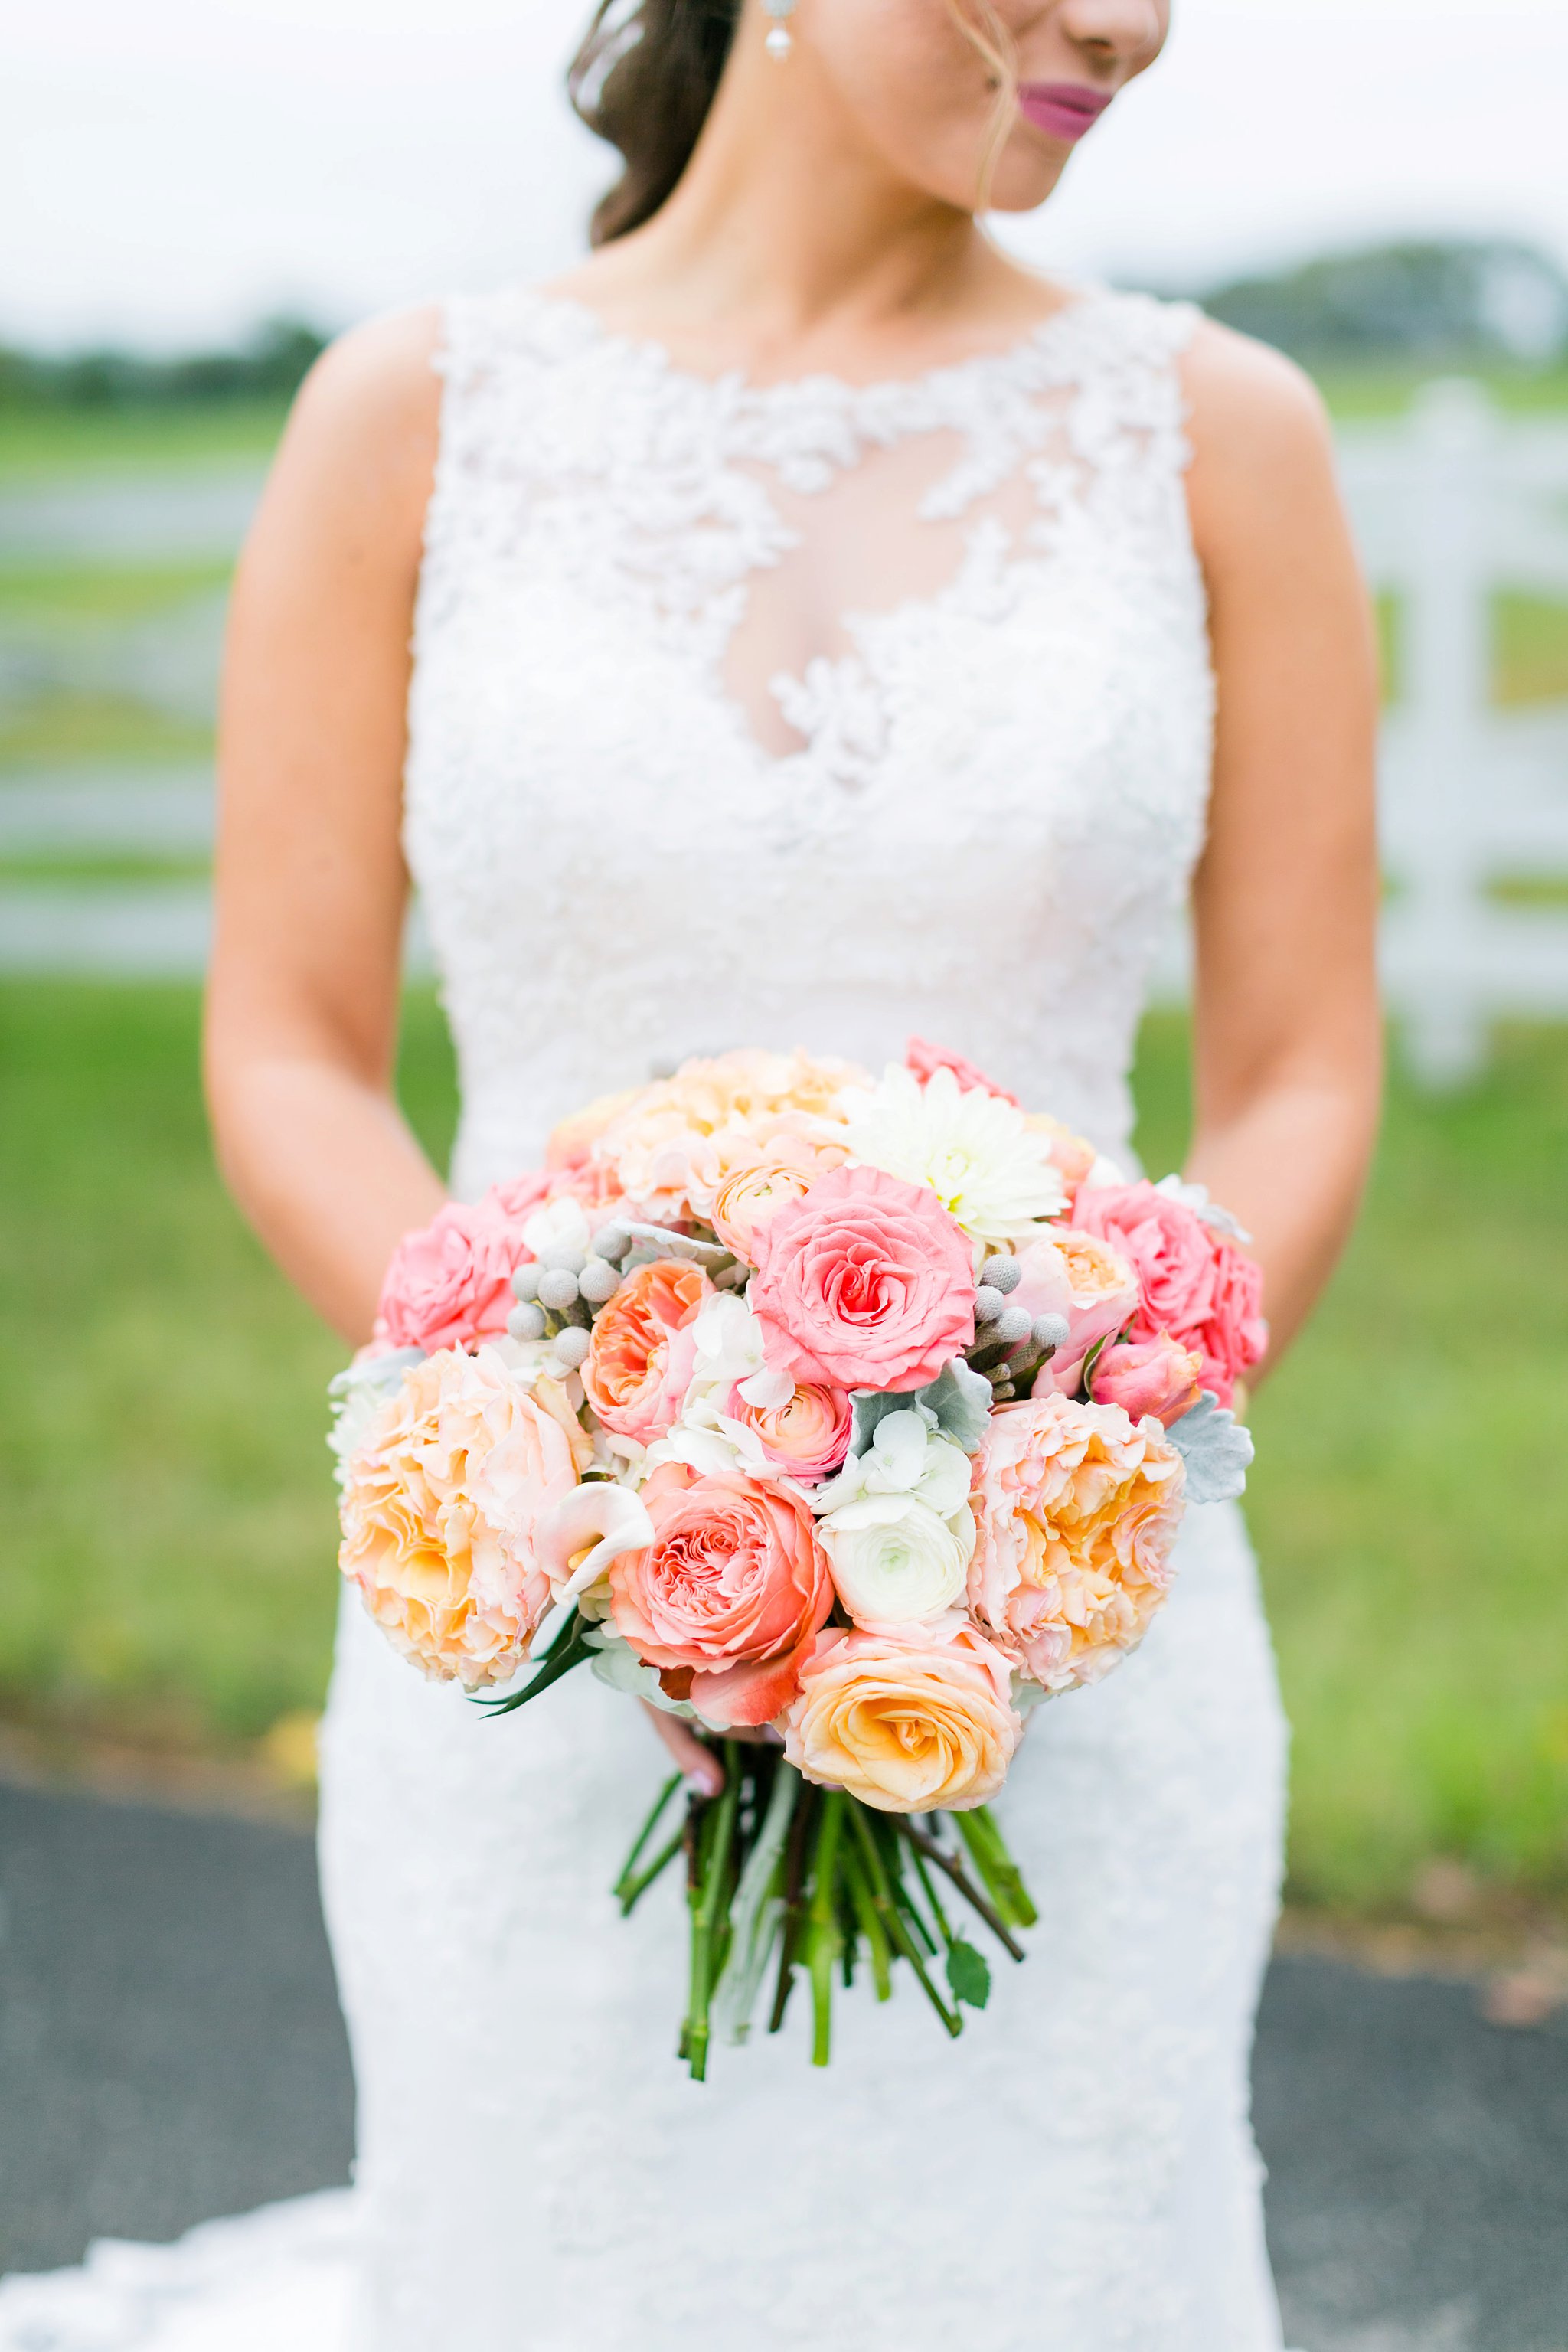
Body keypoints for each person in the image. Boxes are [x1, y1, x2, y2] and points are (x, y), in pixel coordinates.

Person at [2, 3, 1380, 2347]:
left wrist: (1061, 1451)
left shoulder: (1219, 435)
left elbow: (1305, 1076)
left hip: (1070, 1633)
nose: (1128, 25)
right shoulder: (412, 418)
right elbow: (290, 1045)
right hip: (532, 1650)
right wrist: (593, 1478)